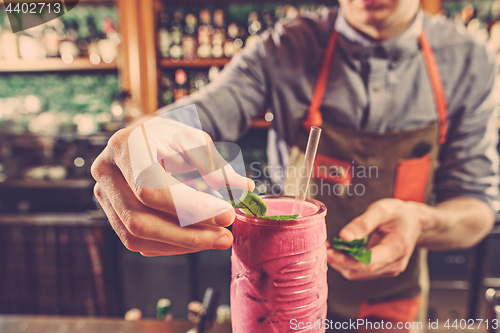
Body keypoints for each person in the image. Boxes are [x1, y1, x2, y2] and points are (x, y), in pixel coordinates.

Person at [91, 0, 499, 327]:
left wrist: (422, 222)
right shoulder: (282, 49)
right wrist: (143, 140)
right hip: (275, 297)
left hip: (392, 300)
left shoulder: (469, 61)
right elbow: (202, 114)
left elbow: (478, 207)